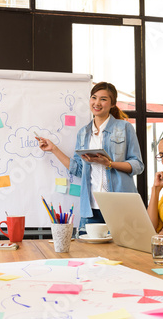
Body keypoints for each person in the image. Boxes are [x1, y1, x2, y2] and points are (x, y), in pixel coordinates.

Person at [37, 82, 144, 234]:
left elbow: (138, 165)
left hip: (120, 205)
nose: (97, 103)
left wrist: (109, 163)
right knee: (88, 255)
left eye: (103, 99)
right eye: (94, 98)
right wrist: (53, 149)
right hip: (92, 207)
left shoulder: (124, 128)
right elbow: (78, 169)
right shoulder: (83, 133)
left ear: (112, 104)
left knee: (123, 254)